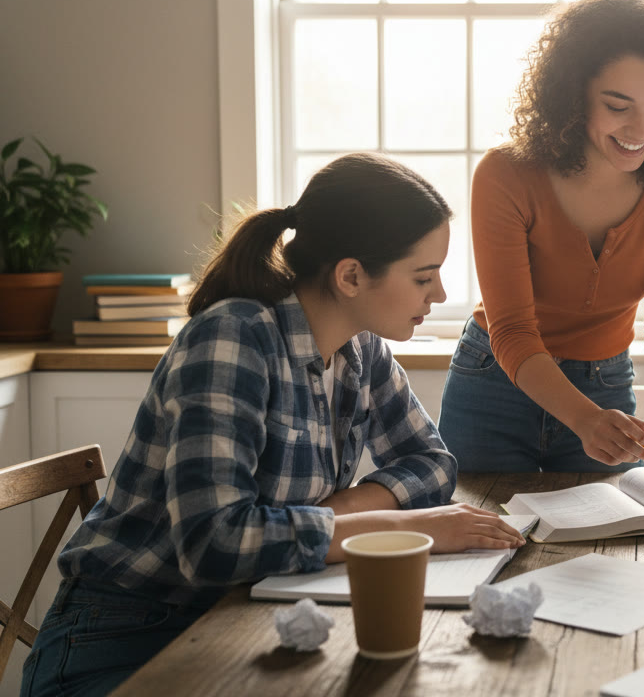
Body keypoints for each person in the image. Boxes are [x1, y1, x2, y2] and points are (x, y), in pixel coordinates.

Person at [22, 153, 524, 697]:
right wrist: (409, 527)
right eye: (424, 276)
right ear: (351, 275)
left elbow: (432, 464)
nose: (442, 294)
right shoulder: (233, 339)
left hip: (248, 615)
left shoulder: (361, 346)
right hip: (128, 638)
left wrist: (336, 513)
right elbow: (213, 542)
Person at [439, 0, 644, 501]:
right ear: (573, 94)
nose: (640, 129)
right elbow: (514, 330)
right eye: (617, 106)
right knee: (481, 541)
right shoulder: (506, 173)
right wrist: (584, 419)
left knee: (601, 554)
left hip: (604, 384)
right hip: (494, 384)